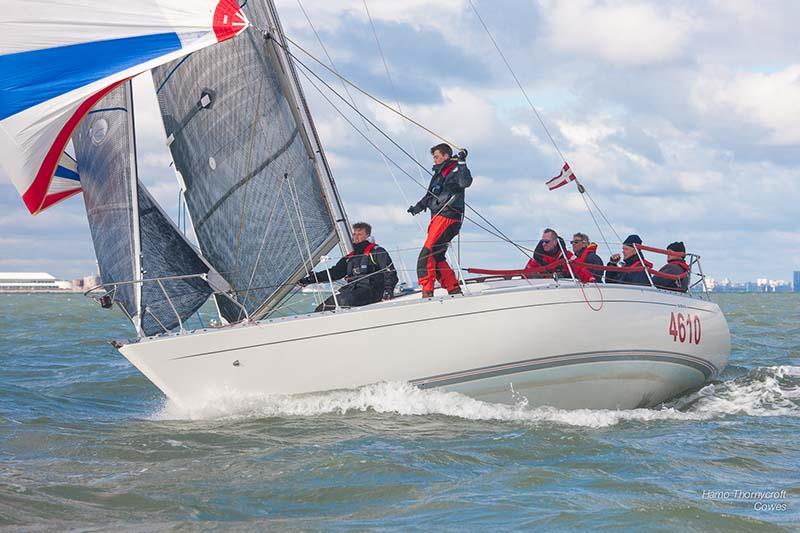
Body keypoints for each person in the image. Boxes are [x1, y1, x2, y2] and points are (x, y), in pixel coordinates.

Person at [408, 143, 473, 297]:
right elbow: (430, 195)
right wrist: (417, 207)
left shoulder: (456, 169)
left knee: (426, 255)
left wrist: (462, 162)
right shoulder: (438, 174)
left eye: (437, 157)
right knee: (437, 256)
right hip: (438, 217)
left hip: (448, 217)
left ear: (445, 156)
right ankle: (454, 290)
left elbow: (465, 182)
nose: (434, 160)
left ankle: (427, 293)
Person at [298, 222, 398, 312]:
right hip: (353, 290)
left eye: (359, 234)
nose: (356, 237)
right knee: (322, 308)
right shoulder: (350, 257)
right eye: (354, 234)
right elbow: (335, 272)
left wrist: (388, 291)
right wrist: (310, 280)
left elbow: (390, 272)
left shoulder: (377, 252)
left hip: (373, 290)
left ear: (367, 235)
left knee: (343, 300)